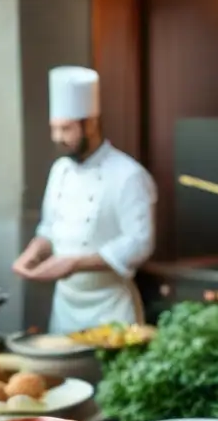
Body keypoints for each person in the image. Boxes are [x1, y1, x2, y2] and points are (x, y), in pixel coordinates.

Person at [12, 66, 158, 334]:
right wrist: (33, 253)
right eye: (54, 129)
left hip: (111, 309)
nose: (57, 138)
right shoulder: (60, 171)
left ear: (90, 123)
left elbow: (139, 242)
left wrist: (73, 263)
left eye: (66, 129)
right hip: (65, 308)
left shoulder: (128, 175)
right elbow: (49, 228)